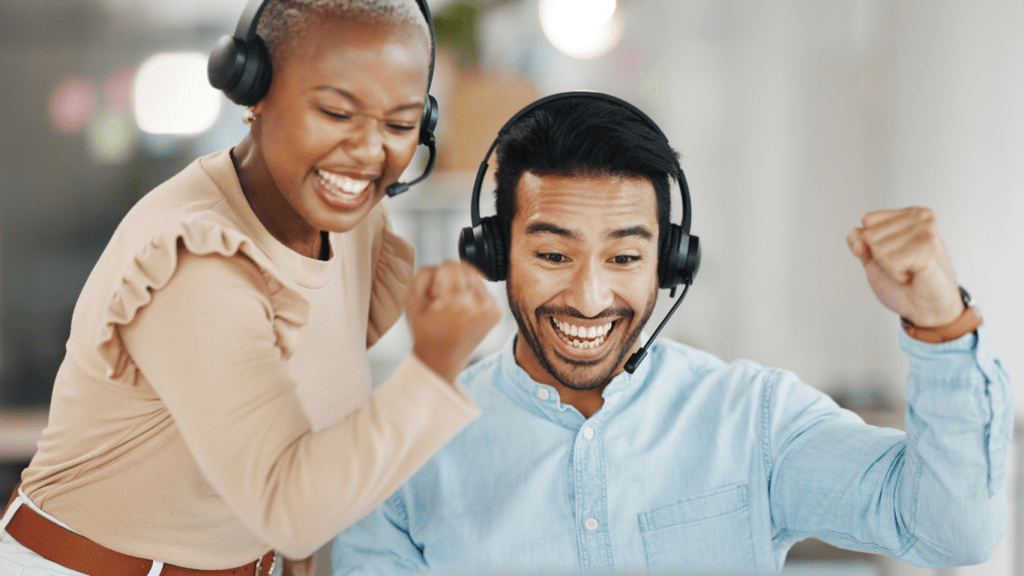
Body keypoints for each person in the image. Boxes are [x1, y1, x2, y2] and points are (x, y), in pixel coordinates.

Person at [331, 93, 1012, 575]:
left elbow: (949, 531)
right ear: (493, 253)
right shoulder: (403, 453)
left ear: (670, 261)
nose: (591, 298)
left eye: (625, 258)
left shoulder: (756, 420)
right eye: (552, 255)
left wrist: (941, 323)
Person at [0, 1, 501, 575]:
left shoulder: (352, 228)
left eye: (399, 123)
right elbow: (288, 506)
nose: (368, 151)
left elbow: (311, 424)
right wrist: (433, 367)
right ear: (253, 91)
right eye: (337, 112)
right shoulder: (192, 256)